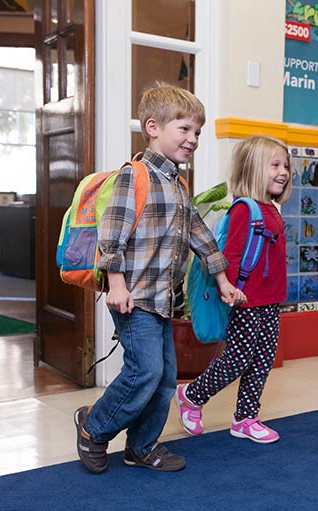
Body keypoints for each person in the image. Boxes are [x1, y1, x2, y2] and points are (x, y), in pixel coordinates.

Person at [74, 82, 245, 474]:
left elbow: (200, 236)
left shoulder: (179, 186)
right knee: (145, 371)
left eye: (197, 132)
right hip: (133, 297)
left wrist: (221, 280)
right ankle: (93, 427)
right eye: (184, 129)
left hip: (162, 300)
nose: (193, 139)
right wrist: (115, 285)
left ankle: (141, 446)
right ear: (153, 127)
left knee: (166, 378)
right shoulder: (132, 176)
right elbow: (111, 236)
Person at [175, 135, 291, 444]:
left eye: (286, 166)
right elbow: (232, 254)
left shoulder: (273, 209)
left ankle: (245, 418)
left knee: (263, 359)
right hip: (246, 301)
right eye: (275, 165)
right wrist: (231, 289)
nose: (283, 172)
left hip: (270, 301)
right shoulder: (245, 209)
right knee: (238, 359)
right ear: (253, 169)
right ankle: (191, 394)